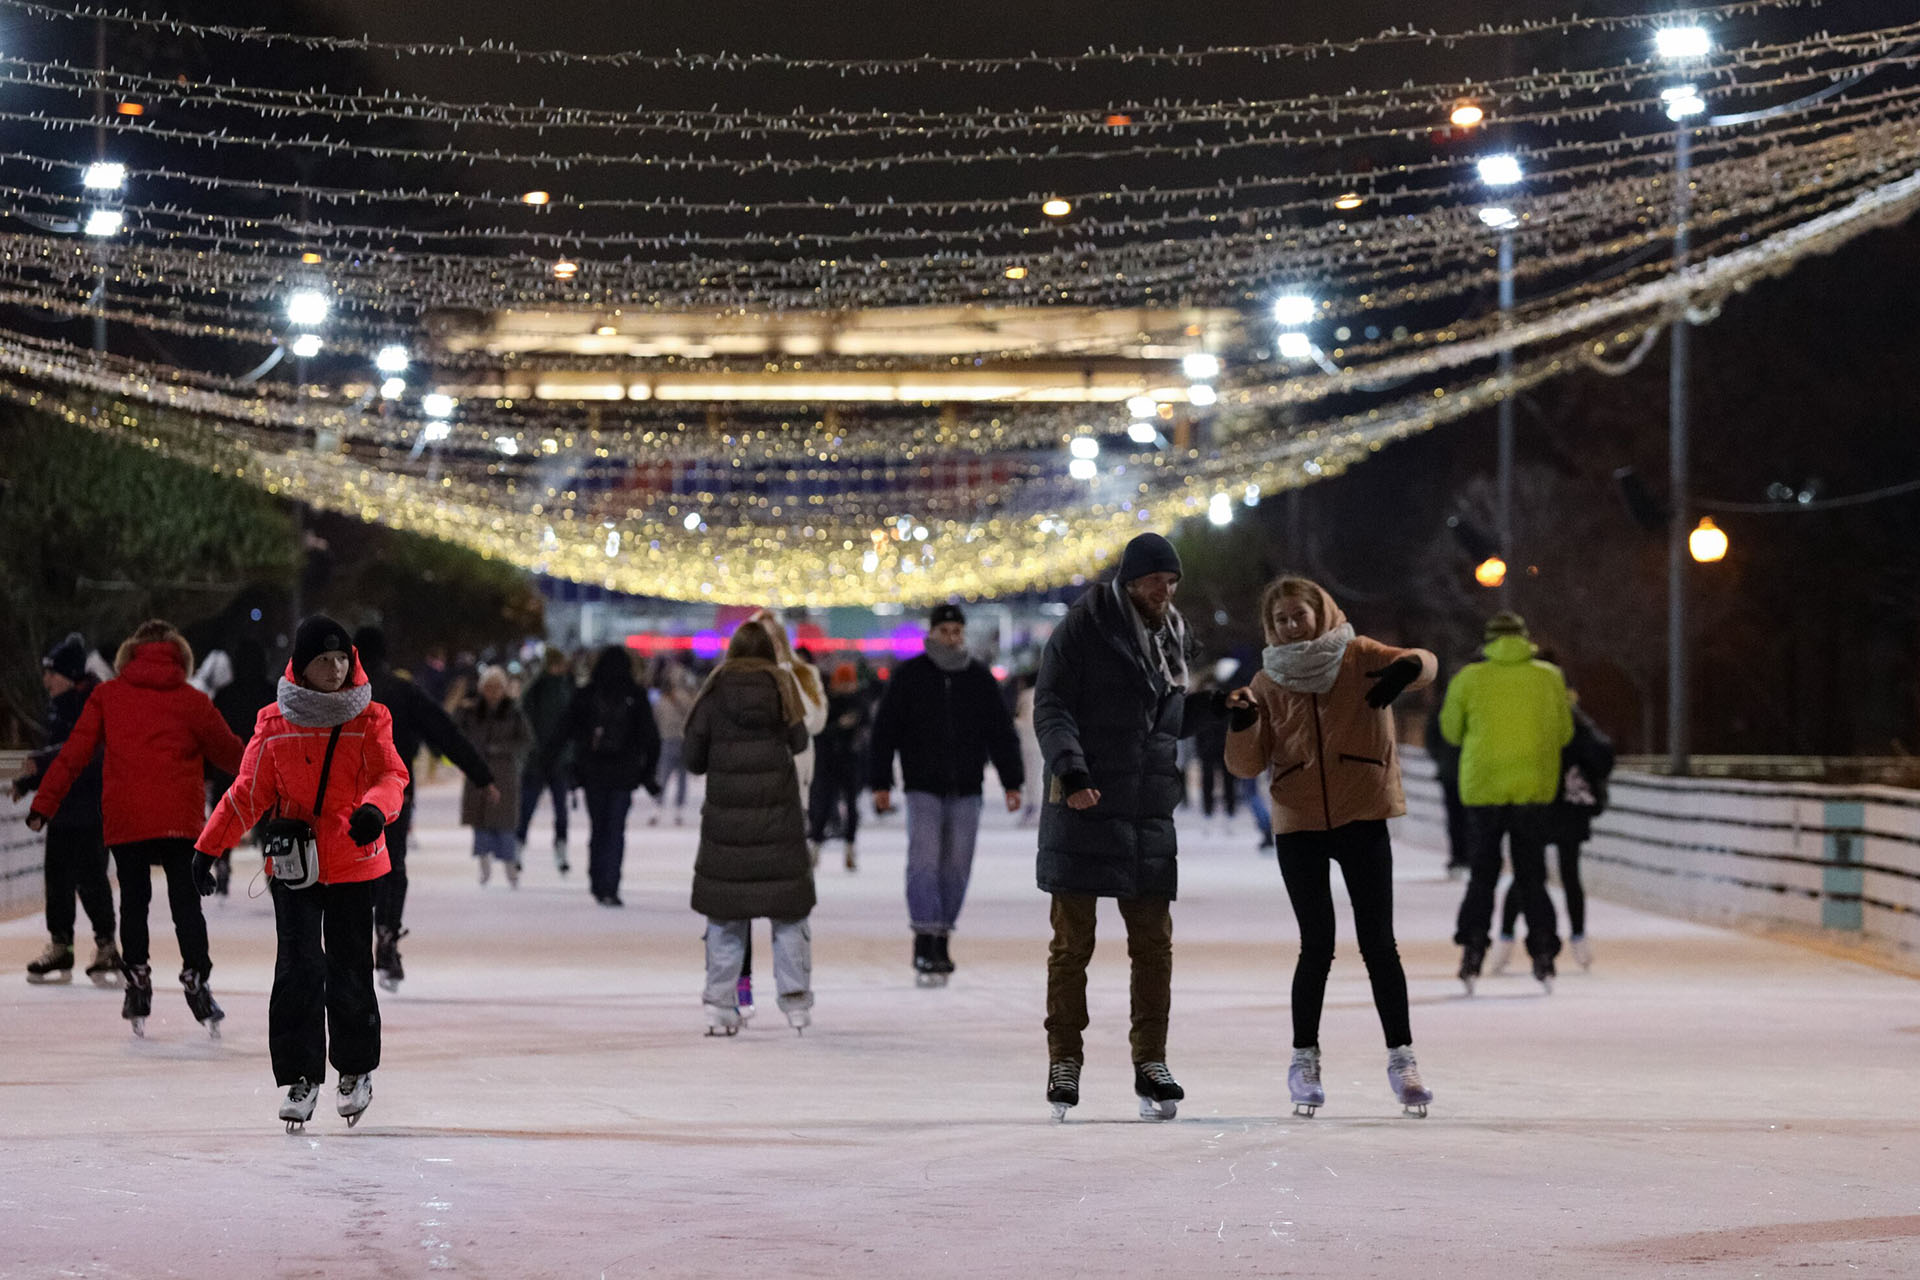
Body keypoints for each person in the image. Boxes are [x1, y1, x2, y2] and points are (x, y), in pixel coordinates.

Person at [1224, 576, 1437, 1118]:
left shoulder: (1360, 654)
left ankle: (1402, 1058)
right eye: (1281, 621)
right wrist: (1243, 725)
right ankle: (1304, 1061)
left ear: (1320, 612)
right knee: (1316, 945)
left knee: (1378, 943)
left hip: (1362, 811)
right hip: (1298, 822)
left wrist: (1411, 667)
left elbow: (1423, 661)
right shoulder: (1266, 681)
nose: (1292, 626)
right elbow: (1247, 764)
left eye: (1299, 615)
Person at [1033, 532, 1221, 1122]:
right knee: (1072, 946)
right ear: (1129, 581)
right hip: (1084, 804)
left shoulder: (1173, 638)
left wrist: (1218, 709)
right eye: (1154, 582)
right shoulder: (1082, 629)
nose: (1164, 592)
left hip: (1145, 810)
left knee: (1154, 947)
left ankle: (1151, 1061)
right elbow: (1051, 706)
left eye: (1171, 583)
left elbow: (1161, 725)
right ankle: (1065, 1058)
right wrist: (1071, 766)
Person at [194, 616, 408, 1130]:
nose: (335, 669)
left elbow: (390, 774)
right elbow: (248, 793)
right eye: (323, 660)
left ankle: (354, 1069)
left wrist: (376, 809)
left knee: (351, 966)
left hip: (355, 859)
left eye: (342, 659)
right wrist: (208, 849)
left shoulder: (371, 716)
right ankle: (299, 1075)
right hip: (295, 864)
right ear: (302, 666)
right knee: (297, 966)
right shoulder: (275, 722)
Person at [26, 620, 243, 1036]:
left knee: (135, 900)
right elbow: (232, 753)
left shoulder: (108, 696)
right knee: (186, 902)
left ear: (129, 655)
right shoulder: (192, 700)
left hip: (126, 816)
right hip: (179, 817)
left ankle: (138, 978)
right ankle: (196, 977)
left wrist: (44, 803)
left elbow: (72, 755)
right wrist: (278, 788)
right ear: (179, 656)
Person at [870, 604, 1024, 981]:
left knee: (956, 866)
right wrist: (880, 782)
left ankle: (942, 938)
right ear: (932, 633)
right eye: (946, 631)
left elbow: (1000, 731)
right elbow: (885, 731)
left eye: (957, 631)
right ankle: (925, 939)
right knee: (924, 863)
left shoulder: (979, 678)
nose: (952, 638)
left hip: (967, 787)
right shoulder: (911, 677)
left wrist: (1012, 781)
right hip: (923, 785)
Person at [685, 621, 815, 1035]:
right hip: (777, 818)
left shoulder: (714, 688)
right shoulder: (782, 685)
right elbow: (799, 742)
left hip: (727, 825)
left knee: (725, 916)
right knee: (788, 915)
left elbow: (692, 757)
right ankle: (795, 1001)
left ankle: (720, 1005)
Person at [352, 626, 495, 990]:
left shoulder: (341, 693)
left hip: (348, 794)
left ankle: (354, 941)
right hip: (395, 791)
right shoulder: (402, 691)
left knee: (352, 866)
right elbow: (443, 732)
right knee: (392, 862)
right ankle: (386, 932)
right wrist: (480, 775)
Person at [1441, 611, 1575, 993]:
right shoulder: (1549, 677)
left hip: (1483, 789)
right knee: (1532, 875)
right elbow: (1564, 732)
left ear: (1487, 640)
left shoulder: (1469, 678)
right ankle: (1544, 954)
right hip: (1533, 790)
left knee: (1482, 875)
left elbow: (1451, 732)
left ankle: (1471, 949)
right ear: (1525, 638)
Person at [13, 633, 118, 986]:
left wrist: (39, 765)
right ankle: (61, 946)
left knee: (91, 879)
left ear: (71, 674)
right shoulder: (59, 706)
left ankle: (106, 946)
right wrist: (30, 782)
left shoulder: (94, 703)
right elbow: (58, 758)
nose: (46, 681)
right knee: (56, 880)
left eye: (51, 673)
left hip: (89, 807)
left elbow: (82, 753)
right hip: (62, 808)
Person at [1495, 693, 1615, 973]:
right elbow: (1603, 756)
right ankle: (1578, 938)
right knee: (1566, 874)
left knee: (1528, 875)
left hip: (1541, 804)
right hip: (1566, 807)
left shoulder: (1534, 723)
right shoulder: (1575, 722)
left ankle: (1506, 937)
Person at [566, 646, 661, 906]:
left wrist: (567, 767)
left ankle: (597, 880)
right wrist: (648, 773)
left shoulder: (587, 694)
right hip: (624, 772)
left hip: (593, 770)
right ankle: (611, 884)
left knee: (598, 828)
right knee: (616, 829)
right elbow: (650, 738)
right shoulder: (636, 695)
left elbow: (567, 731)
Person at [206, 637, 277, 896]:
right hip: (265, 769)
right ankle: (271, 869)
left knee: (225, 820)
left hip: (230, 768)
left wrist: (208, 771)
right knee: (270, 824)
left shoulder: (224, 695)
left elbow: (213, 735)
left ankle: (222, 862)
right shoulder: (272, 693)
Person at [456, 667, 535, 888]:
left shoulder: (514, 712)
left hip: (504, 774)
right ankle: (483, 863)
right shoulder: (472, 711)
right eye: (489, 687)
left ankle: (510, 865)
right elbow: (455, 731)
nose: (493, 692)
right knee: (480, 822)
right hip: (478, 772)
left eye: (497, 687)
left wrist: (503, 748)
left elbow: (526, 741)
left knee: (505, 823)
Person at [515, 646, 576, 873]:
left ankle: (560, 850)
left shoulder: (566, 686)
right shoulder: (539, 688)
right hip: (539, 759)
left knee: (560, 809)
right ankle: (518, 846)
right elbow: (524, 719)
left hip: (557, 760)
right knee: (528, 806)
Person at [808, 662, 869, 870]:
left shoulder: (859, 703)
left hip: (850, 761)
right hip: (829, 761)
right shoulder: (828, 703)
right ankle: (815, 847)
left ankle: (850, 849)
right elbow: (819, 731)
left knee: (851, 806)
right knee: (824, 806)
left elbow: (866, 729)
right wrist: (839, 726)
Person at [648, 664, 697, 827]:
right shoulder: (689, 699)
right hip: (683, 740)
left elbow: (655, 722)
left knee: (663, 776)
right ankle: (679, 811)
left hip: (667, 740)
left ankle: (657, 809)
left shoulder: (661, 701)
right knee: (682, 778)